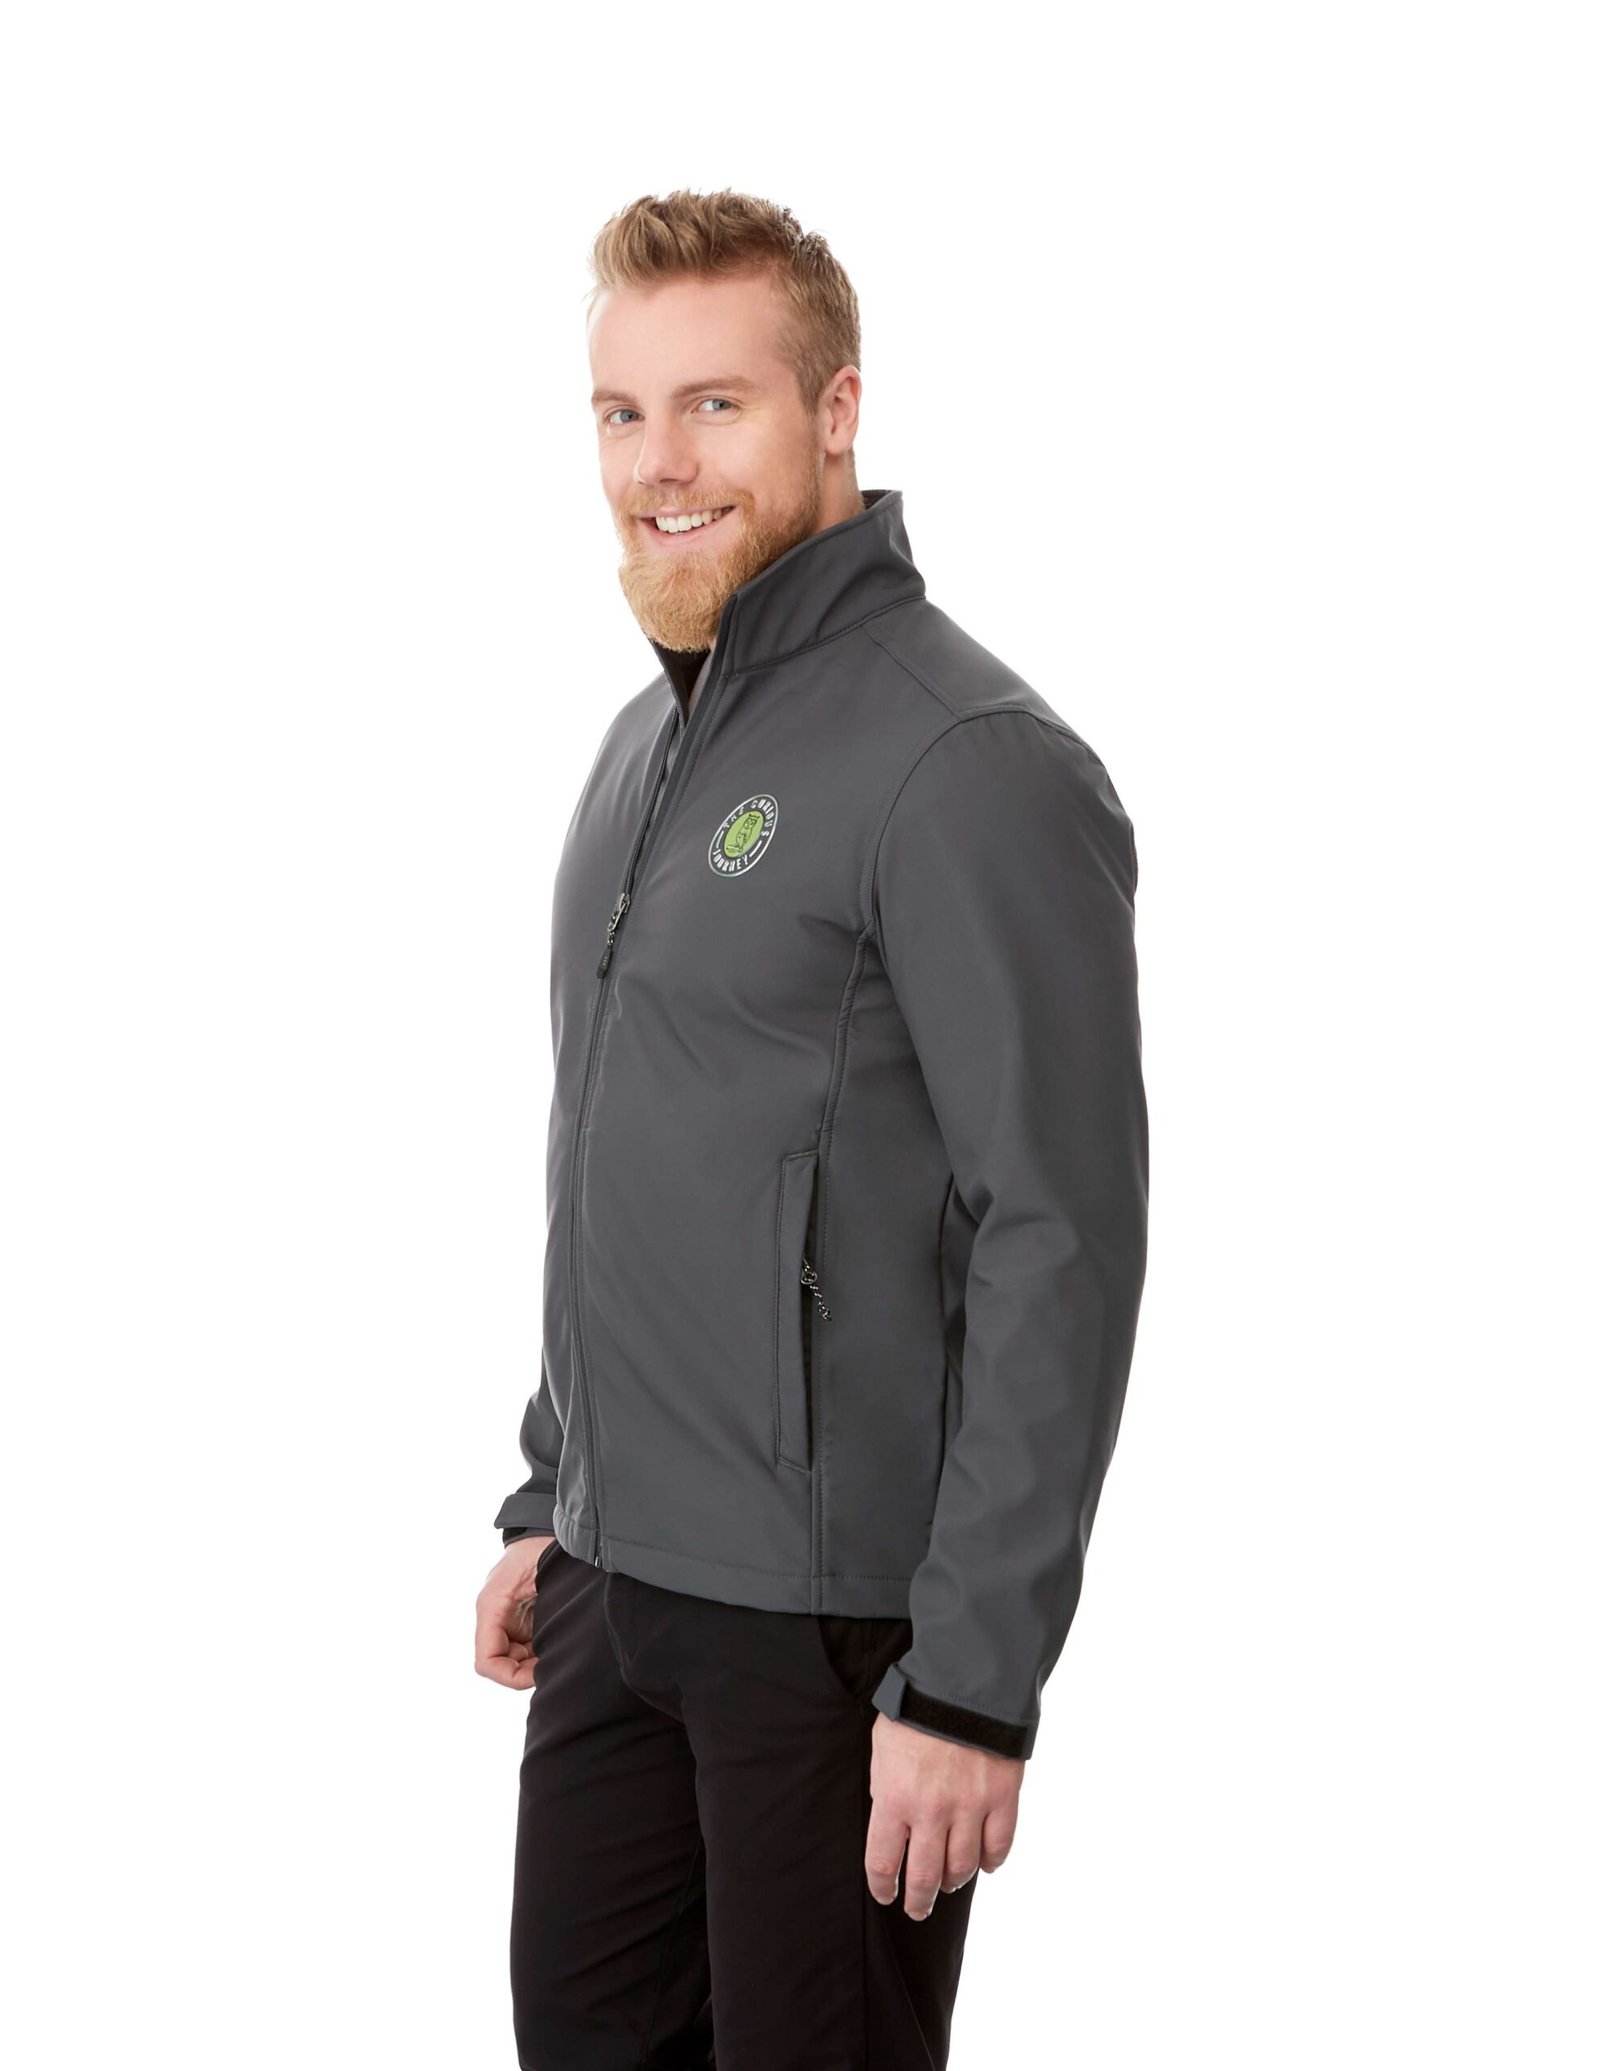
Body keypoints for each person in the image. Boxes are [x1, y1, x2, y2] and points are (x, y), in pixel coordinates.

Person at [473, 187, 1149, 2071]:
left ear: (836, 410)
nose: (658, 465)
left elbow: (1061, 1234)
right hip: (619, 1598)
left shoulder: (967, 761)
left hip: (831, 1634)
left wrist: (975, 1684)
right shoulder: (645, 748)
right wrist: (554, 1494)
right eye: (622, 413)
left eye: (716, 405)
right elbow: (629, 1152)